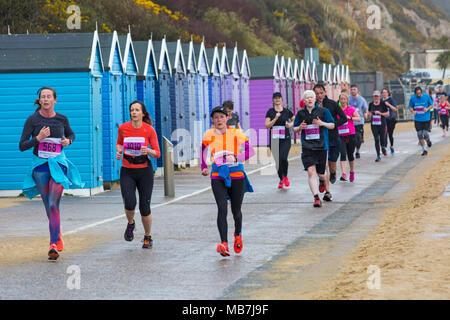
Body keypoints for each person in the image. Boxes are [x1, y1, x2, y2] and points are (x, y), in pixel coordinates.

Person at [19, 87, 84, 261]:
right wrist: (38, 138)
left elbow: (71, 134)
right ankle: (58, 235)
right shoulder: (32, 120)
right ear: (39, 101)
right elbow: (22, 145)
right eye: (43, 97)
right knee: (48, 204)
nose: (46, 99)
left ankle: (53, 244)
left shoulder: (62, 119)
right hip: (40, 165)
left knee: (54, 203)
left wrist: (68, 141)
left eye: (49, 97)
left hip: (58, 163)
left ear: (55, 100)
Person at [201, 106, 255, 257]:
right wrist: (204, 166)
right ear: (212, 119)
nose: (219, 120)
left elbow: (250, 151)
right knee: (222, 208)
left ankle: (238, 234)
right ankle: (224, 243)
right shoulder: (209, 134)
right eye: (216, 117)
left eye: (221, 117)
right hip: (217, 176)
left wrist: (237, 158)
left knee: (236, 211)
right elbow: (203, 150)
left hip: (236, 175)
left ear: (227, 118)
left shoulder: (236, 133)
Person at [116, 101, 160, 249]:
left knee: (144, 206)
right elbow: (119, 143)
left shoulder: (149, 130)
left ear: (142, 113)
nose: (134, 112)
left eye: (137, 110)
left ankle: (147, 236)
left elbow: (157, 153)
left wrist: (148, 151)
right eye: (132, 110)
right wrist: (119, 151)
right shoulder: (123, 128)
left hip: (144, 171)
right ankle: (130, 223)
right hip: (127, 170)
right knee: (129, 203)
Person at [293, 90, 335, 208]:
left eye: (311, 97)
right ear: (304, 100)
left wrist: (322, 123)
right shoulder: (301, 113)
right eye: (307, 98)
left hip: (321, 147)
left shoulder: (323, 111)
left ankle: (322, 181)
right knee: (311, 173)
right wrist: (300, 127)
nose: (310, 99)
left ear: (315, 99)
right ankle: (316, 198)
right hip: (307, 147)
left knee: (321, 174)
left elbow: (332, 125)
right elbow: (294, 129)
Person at [313, 83, 347, 202]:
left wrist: (333, 126)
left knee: (332, 165)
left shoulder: (332, 104)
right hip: (319, 140)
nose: (319, 96)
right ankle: (327, 192)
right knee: (324, 166)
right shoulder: (312, 106)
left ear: (325, 92)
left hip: (333, 138)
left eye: (321, 93)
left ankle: (333, 173)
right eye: (316, 94)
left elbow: (344, 118)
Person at [265, 92, 295, 188]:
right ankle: (281, 179)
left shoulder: (286, 111)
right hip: (274, 140)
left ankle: (285, 175)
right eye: (275, 98)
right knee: (277, 161)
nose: (277, 100)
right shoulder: (270, 112)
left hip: (285, 139)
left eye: (279, 98)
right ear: (273, 100)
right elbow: (267, 125)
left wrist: (289, 125)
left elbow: (295, 120)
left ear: (282, 100)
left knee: (283, 158)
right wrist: (275, 118)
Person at [337, 92, 360, 182]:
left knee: (350, 154)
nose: (342, 101)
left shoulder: (351, 109)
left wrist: (349, 118)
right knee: (343, 153)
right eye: (341, 99)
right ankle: (343, 174)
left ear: (347, 100)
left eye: (344, 99)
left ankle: (352, 171)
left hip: (350, 134)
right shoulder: (337, 110)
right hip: (340, 134)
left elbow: (358, 118)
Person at [408, 86, 434, 156]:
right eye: (417, 94)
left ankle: (428, 140)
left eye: (419, 93)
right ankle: (424, 149)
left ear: (421, 92)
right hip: (417, 119)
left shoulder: (427, 96)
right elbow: (410, 106)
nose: (418, 94)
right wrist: (412, 111)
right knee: (419, 134)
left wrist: (427, 109)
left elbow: (432, 104)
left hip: (426, 118)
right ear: (415, 93)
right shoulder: (413, 98)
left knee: (425, 133)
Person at [368, 90, 390, 162]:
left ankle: (383, 147)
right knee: (376, 139)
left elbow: (387, 113)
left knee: (382, 138)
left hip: (382, 124)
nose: (376, 98)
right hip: (374, 124)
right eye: (375, 96)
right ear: (373, 97)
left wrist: (380, 113)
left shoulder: (383, 104)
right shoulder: (371, 104)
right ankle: (378, 155)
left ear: (379, 97)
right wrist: (369, 114)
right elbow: (369, 112)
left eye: (377, 96)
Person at [348, 84, 369, 159]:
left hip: (359, 121)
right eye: (351, 89)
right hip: (350, 121)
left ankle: (358, 150)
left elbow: (366, 108)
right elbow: (340, 105)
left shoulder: (362, 99)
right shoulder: (347, 99)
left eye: (354, 89)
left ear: (357, 90)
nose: (353, 91)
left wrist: (366, 113)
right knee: (352, 138)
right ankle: (351, 151)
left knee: (358, 137)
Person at [381, 88, 398, 155]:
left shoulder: (391, 100)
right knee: (384, 134)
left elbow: (395, 109)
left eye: (385, 92)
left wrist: (388, 105)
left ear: (388, 93)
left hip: (391, 119)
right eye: (383, 92)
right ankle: (384, 148)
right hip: (383, 119)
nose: (384, 94)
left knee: (390, 134)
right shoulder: (381, 101)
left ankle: (391, 146)